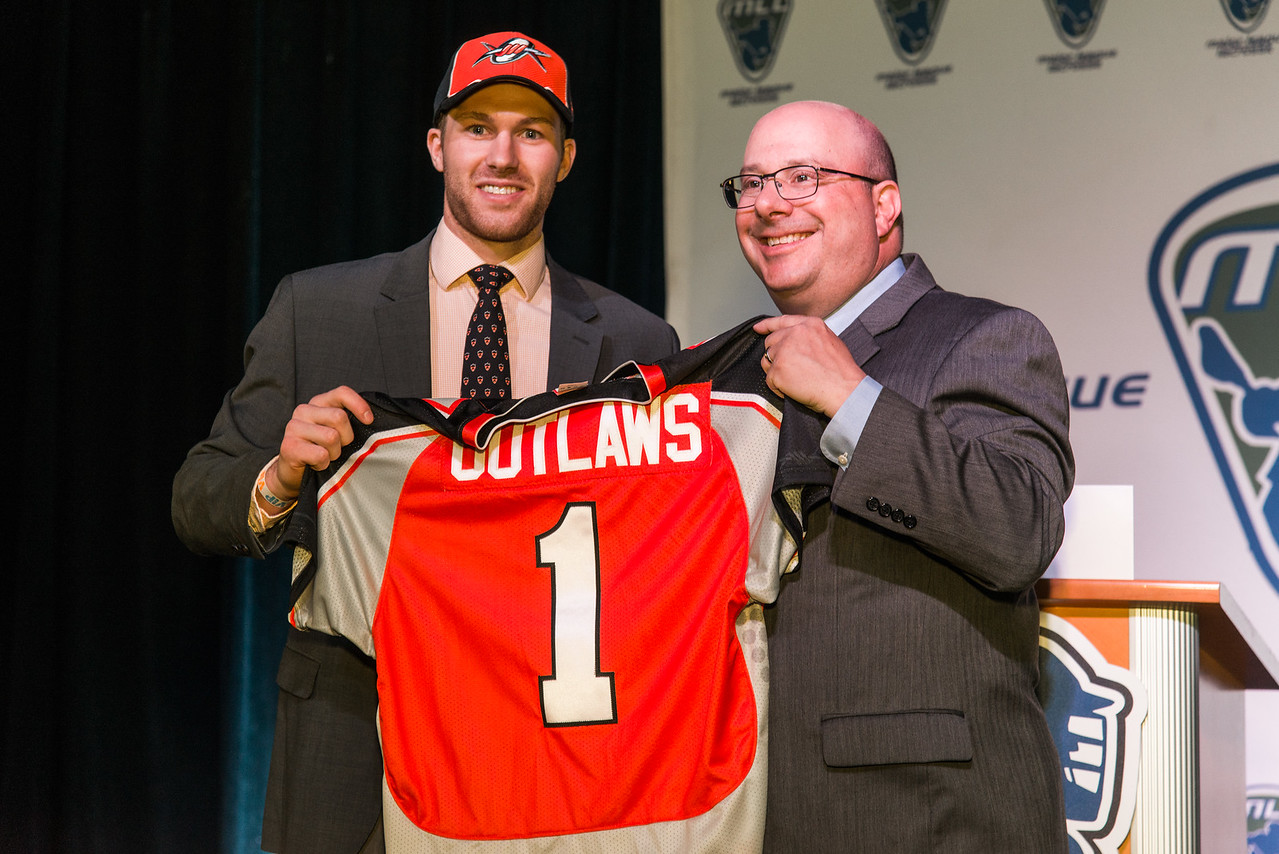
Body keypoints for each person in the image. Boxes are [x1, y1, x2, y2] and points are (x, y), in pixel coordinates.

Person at [172, 31, 678, 854]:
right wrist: (280, 474)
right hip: (354, 744)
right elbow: (199, 500)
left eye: (532, 132)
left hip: (555, 745)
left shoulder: (635, 338)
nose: (503, 155)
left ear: (567, 157)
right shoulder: (318, 310)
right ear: (438, 146)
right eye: (478, 127)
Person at [723, 100, 1074, 852]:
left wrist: (850, 397)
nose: (768, 204)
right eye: (750, 184)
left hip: (924, 815)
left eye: (802, 176)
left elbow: (1017, 528)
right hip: (748, 808)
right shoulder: (729, 373)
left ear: (884, 205)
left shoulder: (986, 336)